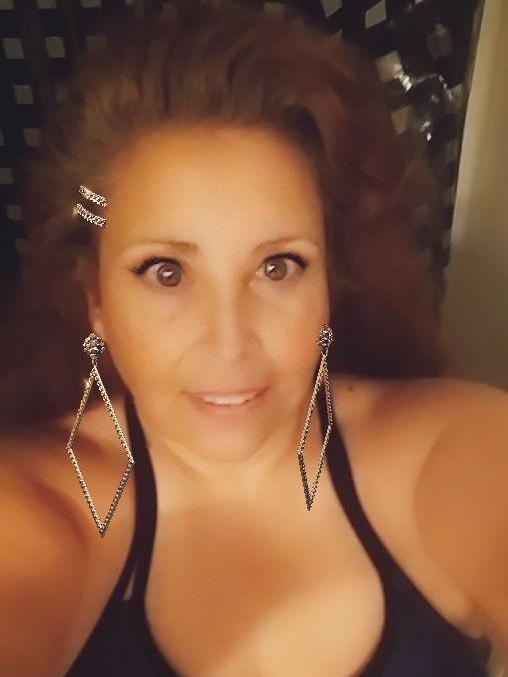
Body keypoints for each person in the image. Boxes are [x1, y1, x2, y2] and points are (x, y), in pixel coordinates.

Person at [1, 1, 506, 675]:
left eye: (278, 266)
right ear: (96, 297)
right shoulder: (32, 512)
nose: (229, 342)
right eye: (166, 271)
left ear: (329, 282)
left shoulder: (448, 450)